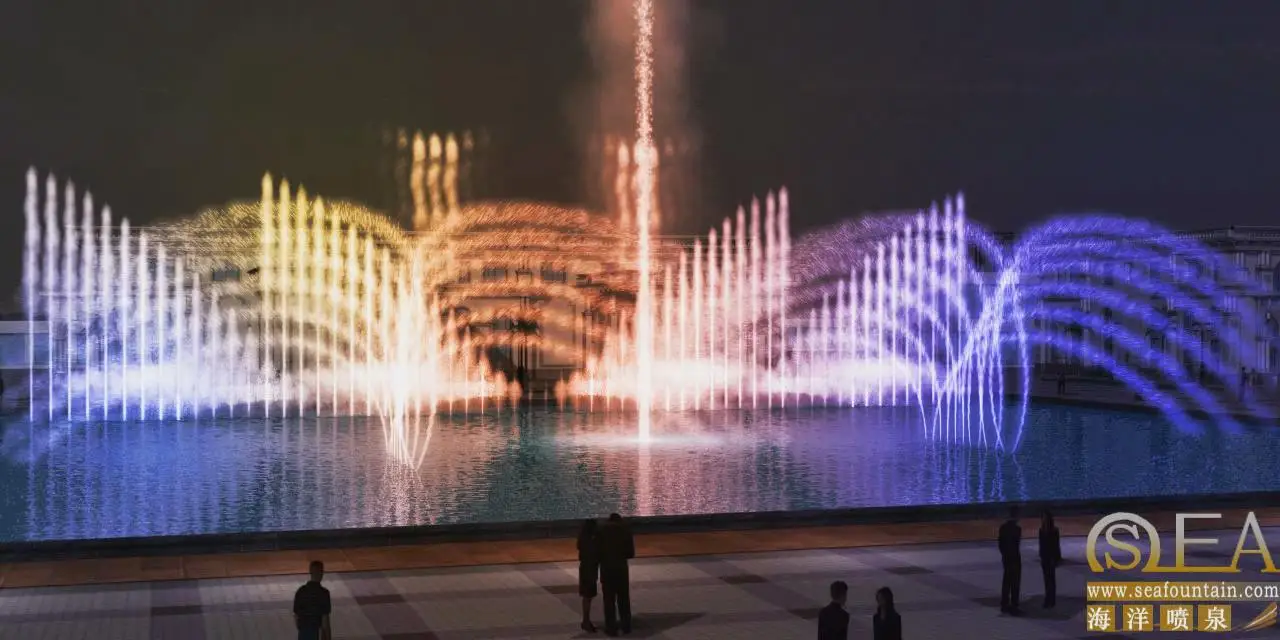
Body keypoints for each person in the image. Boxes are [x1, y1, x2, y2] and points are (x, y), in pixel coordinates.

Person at [598, 513, 635, 636]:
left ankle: (611, 628)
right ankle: (626, 626)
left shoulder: (602, 531)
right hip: (621, 568)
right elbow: (630, 553)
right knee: (623, 598)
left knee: (608, 599)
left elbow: (597, 551)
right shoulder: (625, 530)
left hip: (607, 568)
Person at [293, 560, 332, 640]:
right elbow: (325, 622)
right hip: (316, 632)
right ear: (321, 573)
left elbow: (296, 616)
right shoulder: (323, 593)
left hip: (303, 632)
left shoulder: (301, 591)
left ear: (310, 572)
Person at [577, 518, 601, 632]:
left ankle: (586, 620)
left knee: (586, 596)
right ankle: (586, 621)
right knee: (588, 596)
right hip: (590, 570)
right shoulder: (592, 542)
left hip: (584, 568)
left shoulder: (582, 540)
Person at [998, 507, 1023, 615]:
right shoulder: (1017, 529)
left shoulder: (1003, 528)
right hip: (1015, 558)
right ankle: (1014, 605)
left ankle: (1004, 604)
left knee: (1006, 581)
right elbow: (1016, 545)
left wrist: (1004, 555)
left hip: (1006, 558)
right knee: (1015, 582)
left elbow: (1000, 544)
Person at [1039, 510, 1062, 608]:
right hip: (1044, 558)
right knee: (1047, 579)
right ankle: (1048, 598)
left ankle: (1051, 599)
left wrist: (1057, 558)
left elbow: (1056, 545)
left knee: (1051, 579)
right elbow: (1041, 545)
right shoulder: (1041, 530)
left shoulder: (1054, 530)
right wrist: (1041, 556)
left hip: (1051, 558)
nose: (1043, 520)